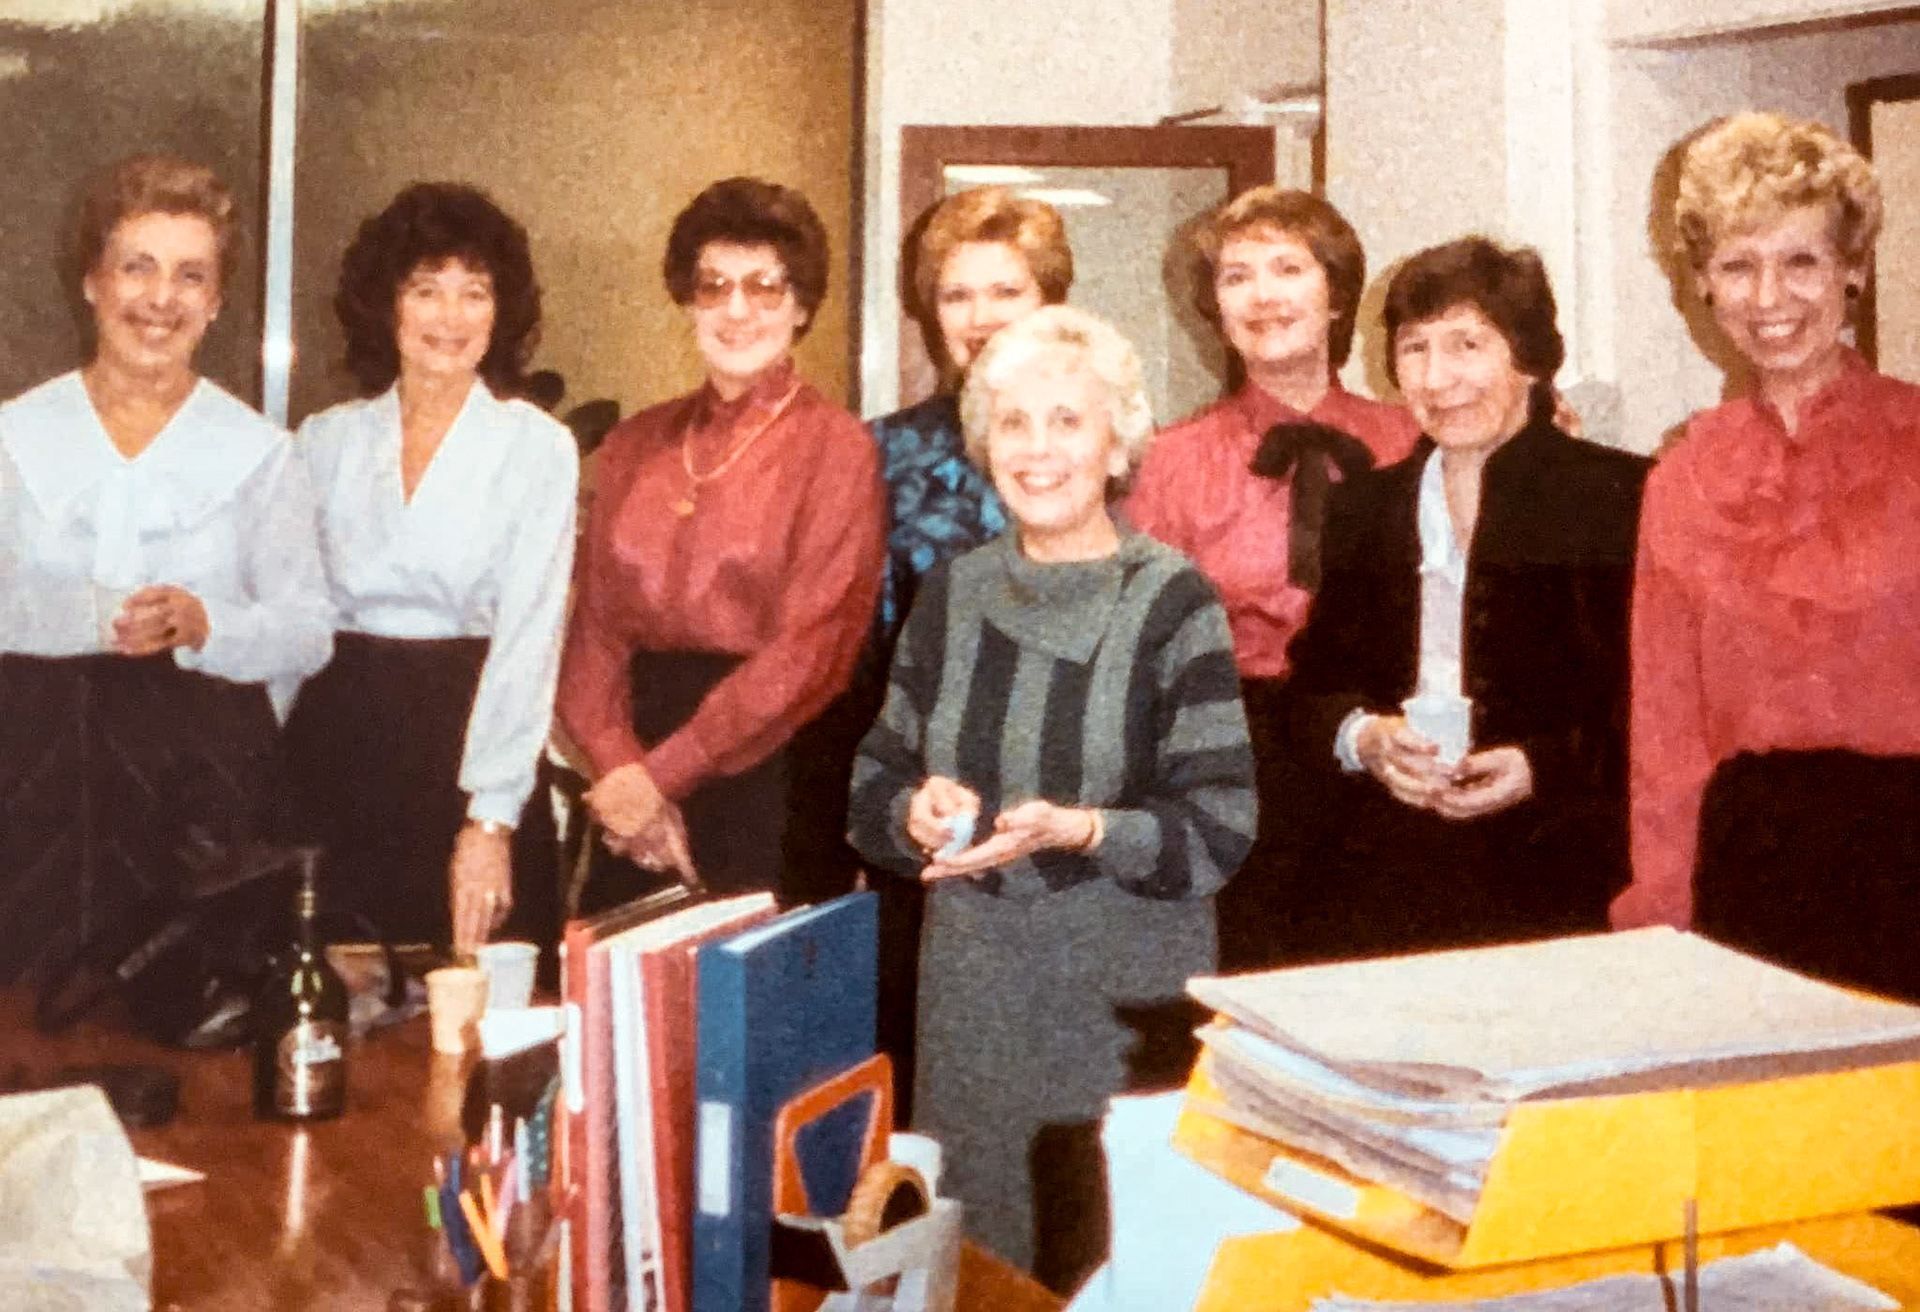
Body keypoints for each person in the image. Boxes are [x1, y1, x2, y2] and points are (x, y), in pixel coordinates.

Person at [848, 306, 1256, 1290]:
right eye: (1015, 422)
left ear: (1117, 442)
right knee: (982, 1274)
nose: (1038, 450)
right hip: (974, 1000)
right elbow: (868, 786)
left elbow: (1219, 829)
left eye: (1068, 421)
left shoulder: (1172, 602)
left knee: (1108, 1270)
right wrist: (910, 809)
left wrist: (1079, 828)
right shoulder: (950, 593)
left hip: (1119, 1009)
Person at [0, 154, 331, 984]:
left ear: (216, 302)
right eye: (136, 267)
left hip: (198, 795)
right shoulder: (15, 435)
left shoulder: (261, 453)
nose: (160, 299)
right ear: (91, 282)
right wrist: (91, 615)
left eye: (191, 275)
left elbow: (306, 630)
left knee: (188, 1044)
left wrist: (207, 622)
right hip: (32, 780)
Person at [1612, 112, 1920, 1001]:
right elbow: (1666, 734)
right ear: (1703, 283)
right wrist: (1662, 923)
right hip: (1751, 869)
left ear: (1853, 269)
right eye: (1738, 267)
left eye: (1800, 261)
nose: (1769, 297)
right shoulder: (1682, 476)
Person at [1285, 237, 1649, 960]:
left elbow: (1655, 700)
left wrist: (1542, 766)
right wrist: (1365, 739)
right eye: (1415, 348)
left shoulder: (1621, 496)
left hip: (1561, 866)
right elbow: (1312, 685)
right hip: (1389, 869)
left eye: (1468, 344)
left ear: (1531, 358)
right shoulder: (1363, 506)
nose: (1438, 376)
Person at [557, 176, 885, 904]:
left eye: (765, 288)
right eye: (714, 286)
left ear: (801, 307)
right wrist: (618, 772)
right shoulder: (635, 442)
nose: (738, 310)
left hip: (769, 772)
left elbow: (810, 653)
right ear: (687, 300)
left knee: (755, 1008)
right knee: (627, 1005)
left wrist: (662, 777)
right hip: (629, 770)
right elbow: (594, 631)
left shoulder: (838, 448)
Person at [1124, 186, 1419, 970]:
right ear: (1215, 308)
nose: (1263, 295)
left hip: (1392, 758)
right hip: (1235, 763)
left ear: (1335, 296)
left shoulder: (1412, 441)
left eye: (1288, 268)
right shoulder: (1169, 460)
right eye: (1237, 276)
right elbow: (1142, 650)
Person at [283, 183, 577, 956]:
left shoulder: (535, 447)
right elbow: (295, 623)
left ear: (500, 311)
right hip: (334, 749)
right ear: (388, 305)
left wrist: (488, 821)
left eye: (473, 292)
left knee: (477, 1027)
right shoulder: (324, 440)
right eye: (426, 290)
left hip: (469, 746)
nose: (450, 317)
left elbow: (529, 640)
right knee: (329, 1014)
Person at [850, 186, 1073, 1121]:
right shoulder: (881, 456)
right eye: (956, 296)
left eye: (1006, 291)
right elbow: (861, 665)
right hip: (933, 814)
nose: (981, 319)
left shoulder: (1109, 446)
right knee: (930, 1091)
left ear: (1050, 302)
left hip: (1070, 812)